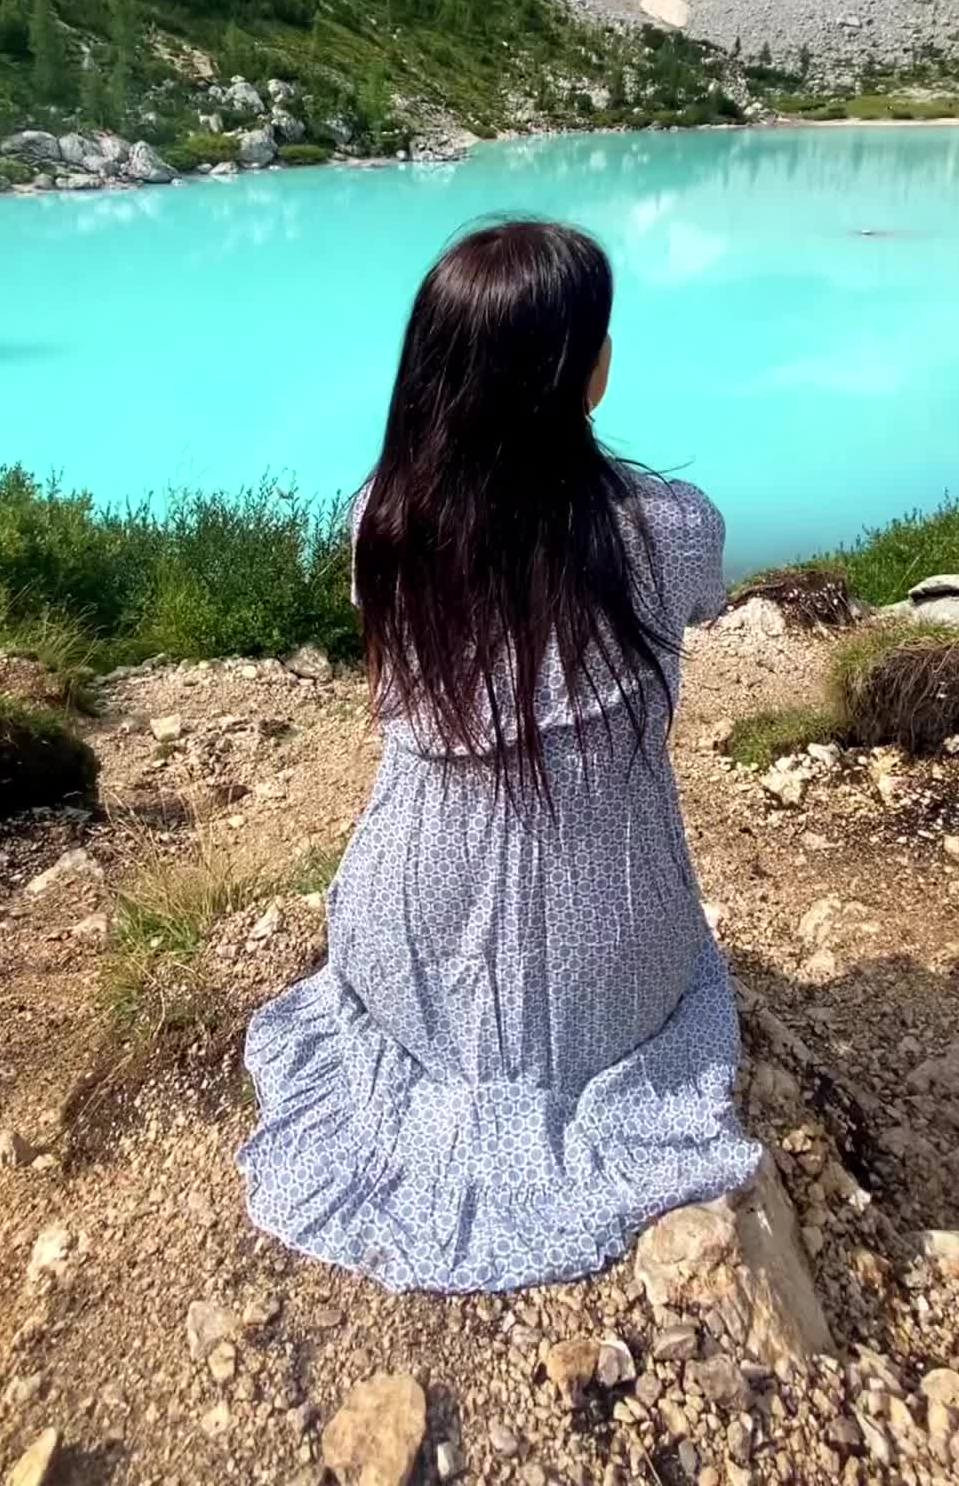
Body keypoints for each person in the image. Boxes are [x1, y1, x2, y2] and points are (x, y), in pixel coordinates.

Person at [239, 220, 760, 1292]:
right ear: (584, 372)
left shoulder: (378, 521)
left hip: (406, 940)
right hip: (612, 956)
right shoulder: (670, 530)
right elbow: (698, 603)